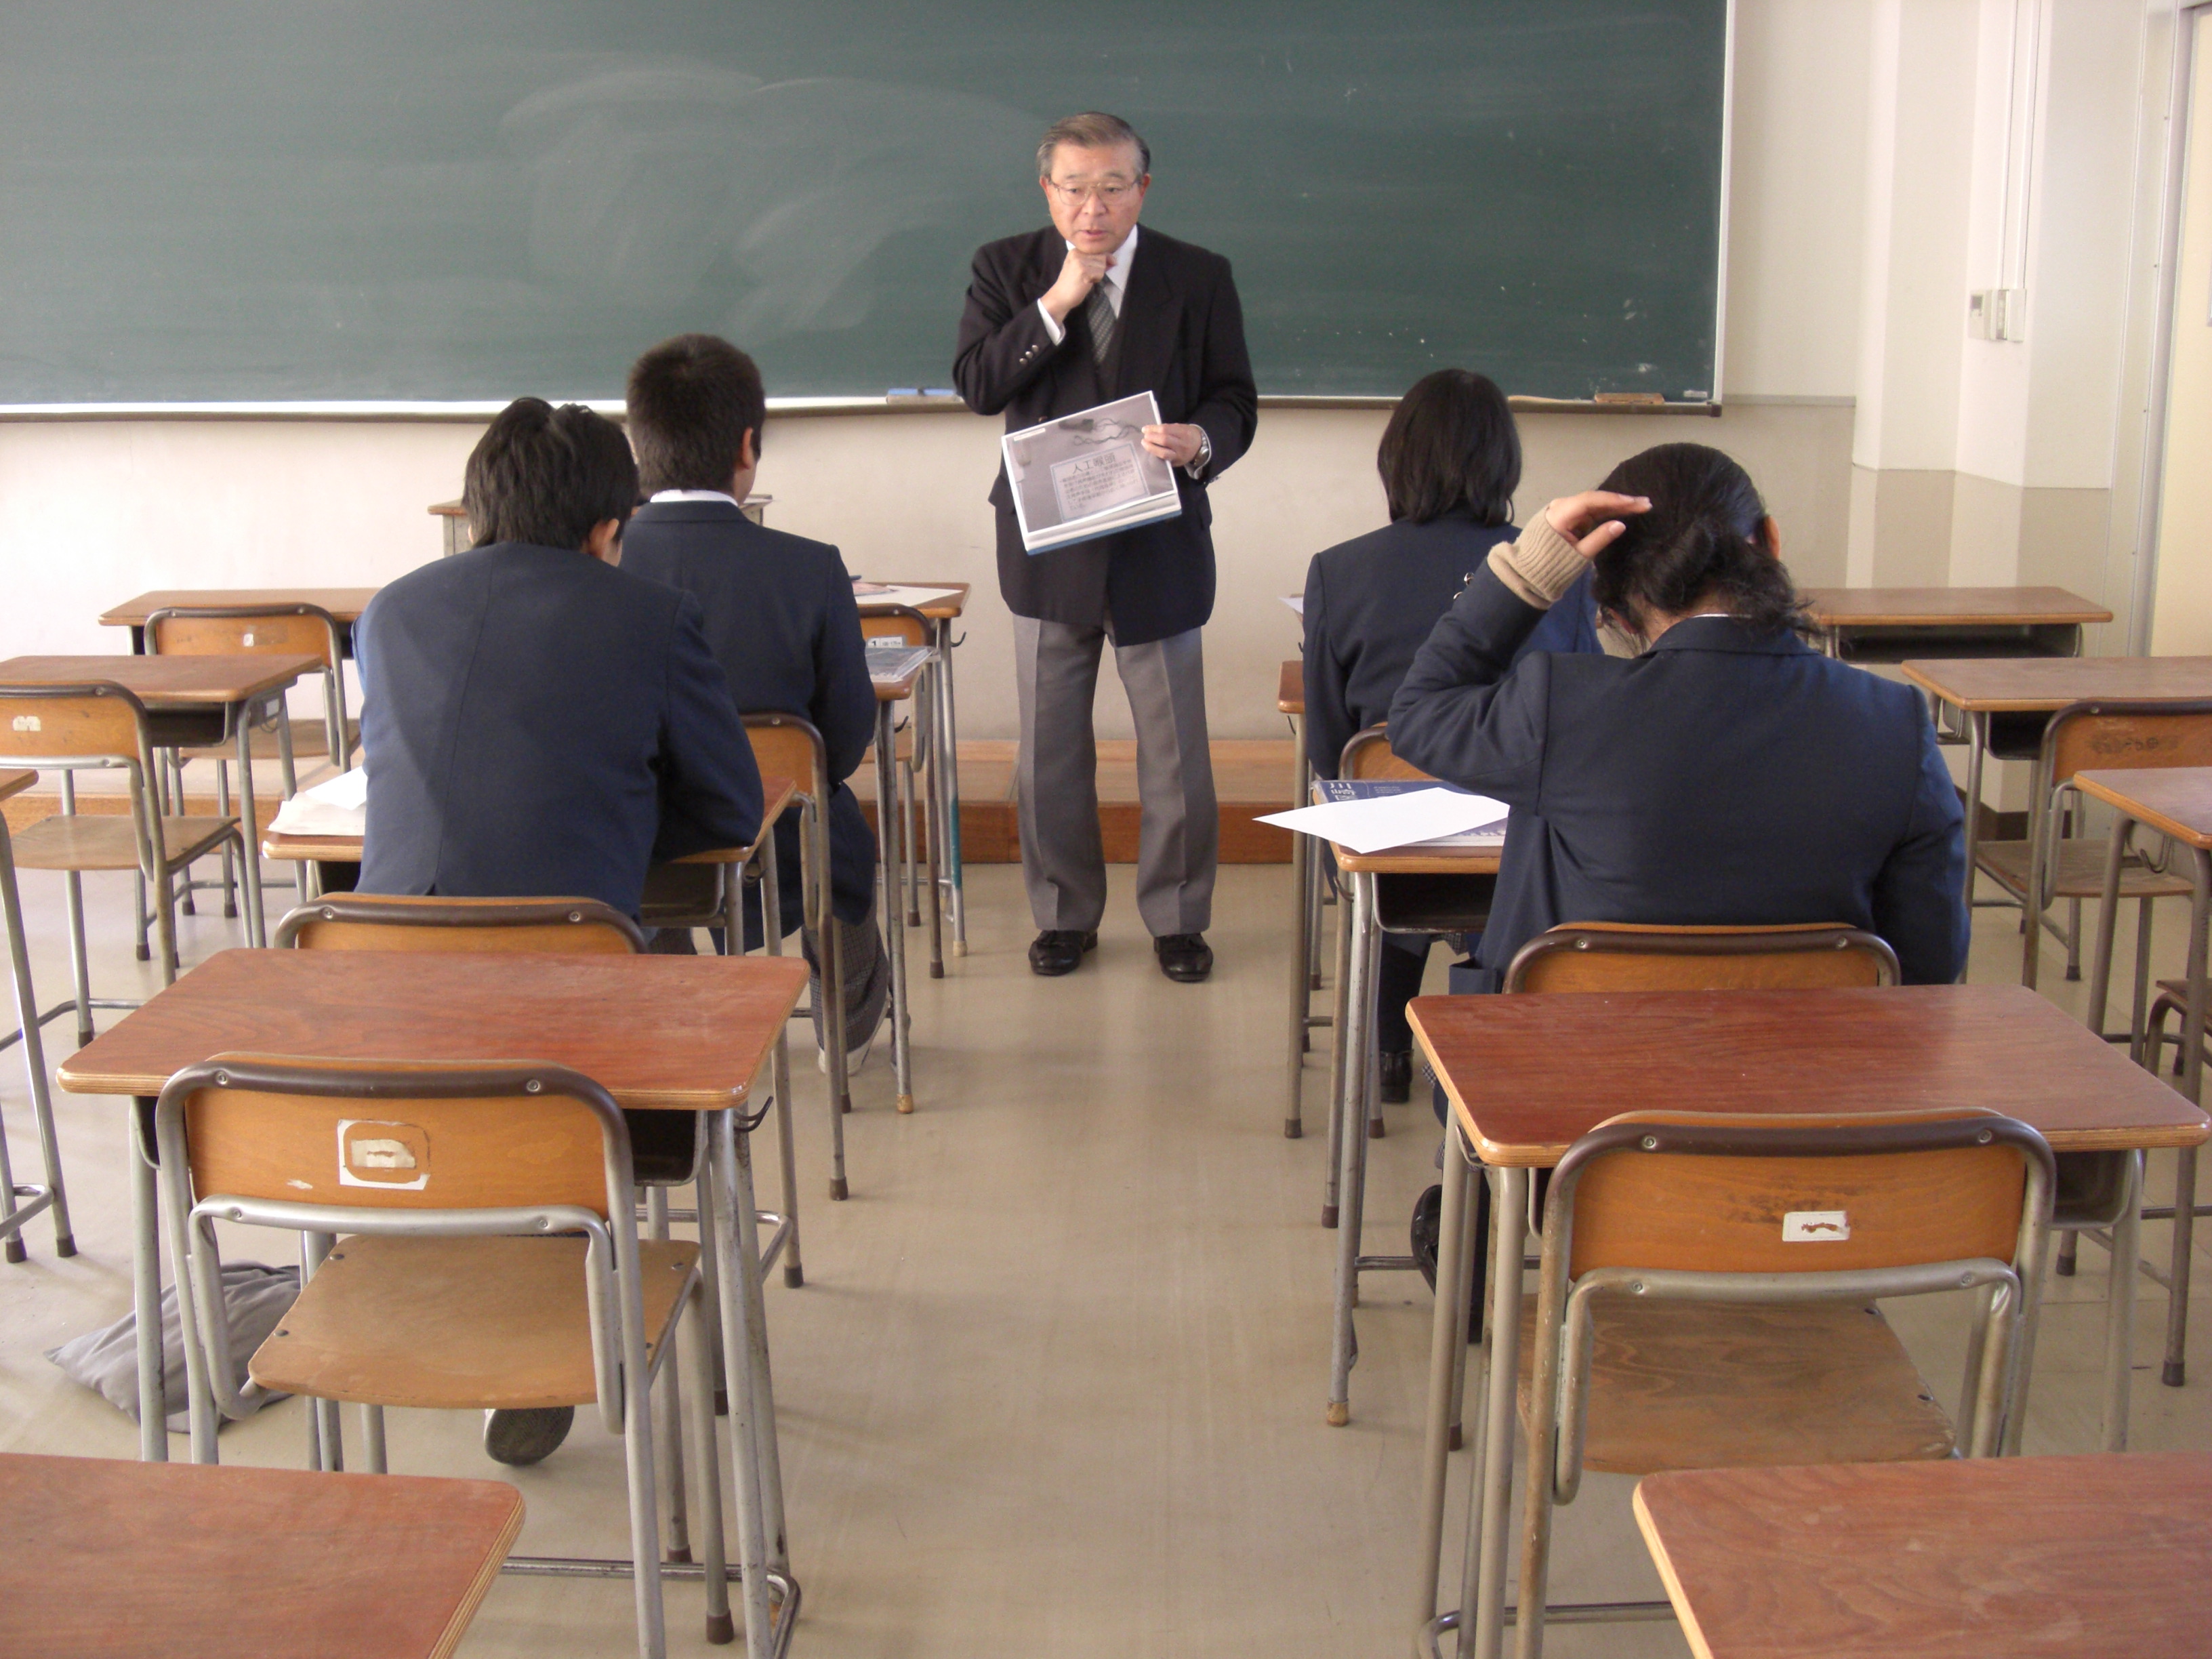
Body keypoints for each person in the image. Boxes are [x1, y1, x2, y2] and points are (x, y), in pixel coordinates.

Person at [1387, 441, 1969, 1306]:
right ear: (1770, 542)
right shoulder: (1895, 722)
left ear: (1611, 596)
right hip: (1809, 1136)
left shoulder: (1564, 706)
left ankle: (1481, 1249)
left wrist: (1527, 572)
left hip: (1577, 1134)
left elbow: (1418, 712)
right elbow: (1929, 967)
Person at [354, 397, 763, 1469]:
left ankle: (504, 1274)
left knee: (528, 975)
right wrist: (611, 818)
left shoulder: (389, 614)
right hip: (572, 1010)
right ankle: (579, 1267)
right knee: (653, 967)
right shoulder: (649, 617)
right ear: (607, 526)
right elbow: (728, 809)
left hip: (381, 1013)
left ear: (477, 510)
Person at [954, 110, 1257, 983]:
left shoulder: (1197, 275)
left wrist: (1202, 442)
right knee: (1049, 750)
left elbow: (1236, 398)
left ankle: (1179, 918)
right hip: (1049, 547)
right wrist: (1055, 304)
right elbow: (978, 383)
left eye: (1113, 188)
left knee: (1174, 751)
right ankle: (1062, 915)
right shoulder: (1005, 268)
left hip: (1158, 540)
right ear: (1047, 189)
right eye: (1075, 189)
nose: (1094, 208)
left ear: (1143, 189)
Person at [1300, 368, 1600, 1101]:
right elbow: (1584, 713)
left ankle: (1386, 1050)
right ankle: (1487, 1036)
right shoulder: (1556, 572)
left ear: (1395, 459)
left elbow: (1331, 744)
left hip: (1389, 846)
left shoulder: (1339, 571)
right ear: (1505, 462)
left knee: (1387, 827)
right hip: (1521, 847)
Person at [619, 333, 890, 1067]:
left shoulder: (600, 566)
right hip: (788, 843)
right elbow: (843, 743)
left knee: (639, 819)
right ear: (748, 446)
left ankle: (678, 1017)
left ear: (639, 446)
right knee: (833, 817)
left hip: (643, 846)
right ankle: (846, 1021)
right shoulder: (811, 569)